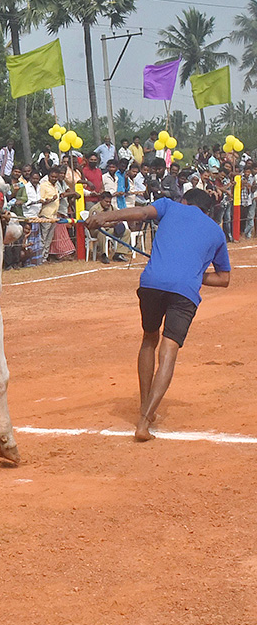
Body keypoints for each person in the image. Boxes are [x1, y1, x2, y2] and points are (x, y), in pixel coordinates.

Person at [84, 189, 230, 442]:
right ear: (207, 210)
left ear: (184, 201)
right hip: (185, 291)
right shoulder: (217, 231)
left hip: (152, 283)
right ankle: (144, 421)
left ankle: (143, 406)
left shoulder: (169, 206)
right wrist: (194, 273)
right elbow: (223, 278)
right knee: (169, 351)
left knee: (149, 339)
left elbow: (140, 213)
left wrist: (105, 217)